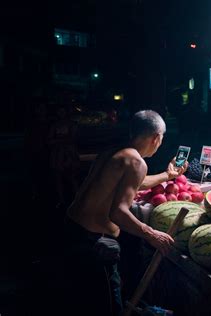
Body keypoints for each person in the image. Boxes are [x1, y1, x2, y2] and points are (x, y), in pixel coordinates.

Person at [63, 110, 187, 316]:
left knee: (83, 301)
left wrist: (167, 175)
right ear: (156, 137)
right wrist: (152, 234)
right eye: (162, 139)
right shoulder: (137, 162)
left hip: (73, 230)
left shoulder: (115, 152)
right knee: (108, 307)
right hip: (93, 242)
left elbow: (133, 183)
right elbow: (118, 213)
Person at [49, 105, 80, 208]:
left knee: (72, 176)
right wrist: (63, 140)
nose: (61, 113)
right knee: (58, 177)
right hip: (58, 154)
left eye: (63, 111)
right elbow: (49, 140)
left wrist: (58, 140)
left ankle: (77, 200)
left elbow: (72, 138)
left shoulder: (71, 124)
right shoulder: (54, 125)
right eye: (59, 111)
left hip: (69, 153)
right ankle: (61, 200)